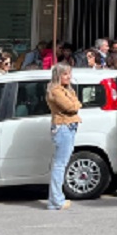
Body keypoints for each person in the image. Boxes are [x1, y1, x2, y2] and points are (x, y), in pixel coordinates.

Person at [44, 63, 81, 210]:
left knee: (62, 163)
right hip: (63, 127)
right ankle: (56, 200)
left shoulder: (67, 89)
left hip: (69, 126)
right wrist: (76, 104)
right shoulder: (55, 90)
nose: (69, 77)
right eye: (65, 74)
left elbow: (76, 103)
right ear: (58, 76)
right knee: (59, 165)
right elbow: (71, 106)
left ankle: (56, 199)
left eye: (69, 74)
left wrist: (76, 103)